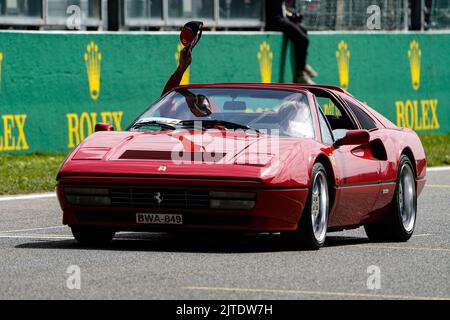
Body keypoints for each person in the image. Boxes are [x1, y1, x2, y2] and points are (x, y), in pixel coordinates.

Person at [265, 0, 317, 84]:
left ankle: (303, 64)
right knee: (303, 39)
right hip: (274, 20)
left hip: (281, 17)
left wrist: (291, 14)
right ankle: (300, 74)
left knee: (303, 30)